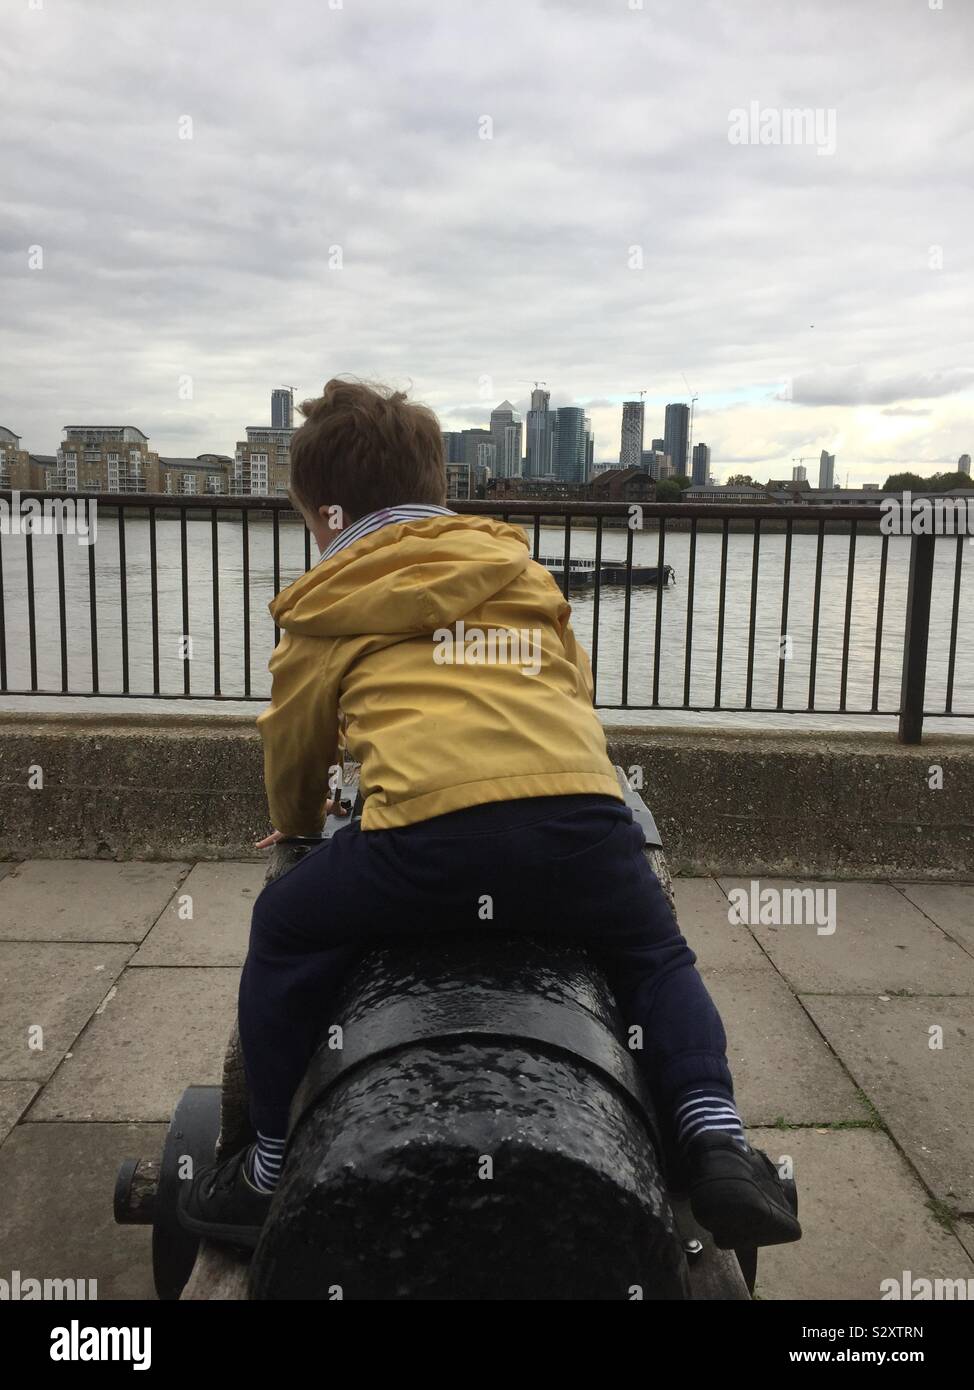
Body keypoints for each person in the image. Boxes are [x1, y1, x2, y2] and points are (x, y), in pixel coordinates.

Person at [179, 378, 801, 1254]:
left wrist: (299, 828)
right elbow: (573, 690)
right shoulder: (518, 569)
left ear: (322, 518)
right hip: (582, 817)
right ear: (440, 492)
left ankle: (269, 1166)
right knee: (655, 955)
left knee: (284, 928)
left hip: (425, 844)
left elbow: (295, 744)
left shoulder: (324, 605)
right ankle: (716, 1142)